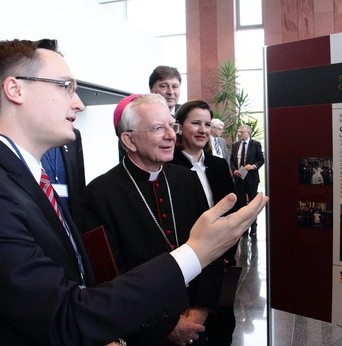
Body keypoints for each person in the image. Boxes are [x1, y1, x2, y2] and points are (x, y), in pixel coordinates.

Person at [0, 38, 268, 345]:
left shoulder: (23, 178)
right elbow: (64, 311)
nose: (78, 102)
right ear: (15, 90)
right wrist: (196, 252)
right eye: (65, 86)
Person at [81, 94, 225, 345]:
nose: (171, 135)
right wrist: (165, 326)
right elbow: (106, 278)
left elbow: (210, 246)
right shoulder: (98, 194)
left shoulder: (187, 180)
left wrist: (200, 309)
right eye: (158, 128)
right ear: (129, 140)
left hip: (195, 326)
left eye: (172, 126)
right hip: (144, 331)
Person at [171, 100, 242, 345]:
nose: (203, 130)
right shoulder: (170, 167)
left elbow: (236, 213)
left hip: (221, 258)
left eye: (207, 124)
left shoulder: (219, 165)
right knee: (193, 329)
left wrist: (224, 251)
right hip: (189, 261)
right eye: (196, 123)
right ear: (179, 127)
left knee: (223, 325)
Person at [40, 128, 86, 228]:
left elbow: (80, 187)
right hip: (41, 223)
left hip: (71, 223)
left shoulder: (73, 135)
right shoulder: (26, 135)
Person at [230, 124, 265, 237]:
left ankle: (253, 227)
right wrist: (234, 171)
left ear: (248, 132)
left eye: (241, 132)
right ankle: (243, 228)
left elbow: (261, 160)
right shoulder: (235, 145)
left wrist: (253, 166)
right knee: (240, 203)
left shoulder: (255, 144)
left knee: (252, 204)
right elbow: (231, 161)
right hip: (239, 178)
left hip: (251, 179)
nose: (239, 134)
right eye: (239, 132)